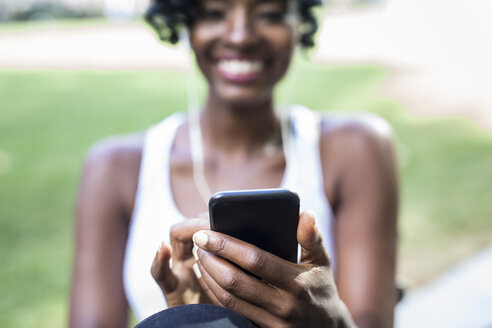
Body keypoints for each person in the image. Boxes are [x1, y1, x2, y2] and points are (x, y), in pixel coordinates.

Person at [69, 0, 398, 327]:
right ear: (185, 23)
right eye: (213, 13)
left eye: (269, 13)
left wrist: (329, 322)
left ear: (300, 23)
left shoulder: (355, 148)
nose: (240, 36)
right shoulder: (114, 168)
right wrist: (191, 321)